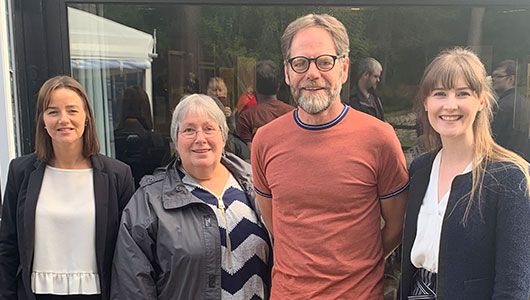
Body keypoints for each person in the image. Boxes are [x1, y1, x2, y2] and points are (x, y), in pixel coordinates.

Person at [251, 14, 409, 299]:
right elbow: (277, 224)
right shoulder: (265, 140)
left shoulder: (379, 138)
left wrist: (358, 266)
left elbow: (396, 226)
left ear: (344, 68)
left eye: (324, 61)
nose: (312, 74)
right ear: (287, 72)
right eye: (300, 63)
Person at [111, 94, 272, 299]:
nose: (200, 138)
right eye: (189, 130)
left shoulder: (257, 185)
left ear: (223, 135)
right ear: (175, 140)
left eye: (209, 128)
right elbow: (131, 288)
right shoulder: (149, 202)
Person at [400, 48, 530, 299]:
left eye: (463, 94)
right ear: (426, 102)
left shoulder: (509, 178)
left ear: (481, 100)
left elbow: (514, 286)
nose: (450, 105)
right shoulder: (420, 168)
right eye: (440, 94)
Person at [0, 75, 135, 300]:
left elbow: (129, 252)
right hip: (36, 293)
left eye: (72, 110)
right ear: (42, 120)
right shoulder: (20, 172)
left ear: (87, 117)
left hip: (98, 294)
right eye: (53, 111)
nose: (64, 119)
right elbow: (8, 246)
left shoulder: (117, 175)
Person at [114, 86, 169, 187]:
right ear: (146, 109)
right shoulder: (159, 141)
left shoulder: (112, 141)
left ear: (122, 109)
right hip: (153, 195)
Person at [236, 60, 294, 145]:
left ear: (254, 85)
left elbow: (249, 154)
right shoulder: (293, 114)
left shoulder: (247, 118)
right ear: (278, 85)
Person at [491, 59, 529, 159]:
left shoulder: (503, 105)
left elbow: (492, 138)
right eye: (493, 76)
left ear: (511, 79)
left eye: (498, 76)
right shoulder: (524, 102)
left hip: (503, 158)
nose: (493, 79)